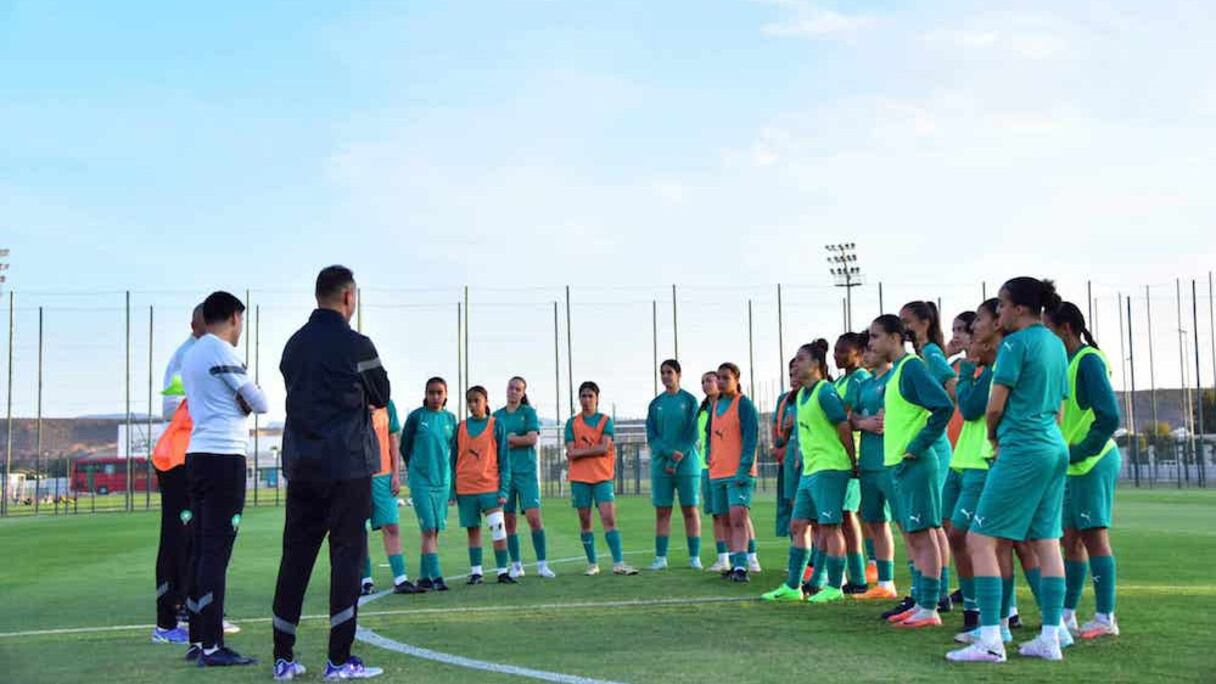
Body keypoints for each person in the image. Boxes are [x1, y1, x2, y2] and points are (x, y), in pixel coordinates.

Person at [271, 266, 388, 680]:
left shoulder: (293, 345)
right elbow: (382, 394)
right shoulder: (357, 344)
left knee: (296, 559)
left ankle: (282, 658)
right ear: (348, 297)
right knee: (347, 561)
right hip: (347, 467)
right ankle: (338, 660)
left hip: (302, 465)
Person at [947, 277, 1071, 663]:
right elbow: (1060, 406)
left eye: (1001, 305)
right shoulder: (1053, 342)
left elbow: (995, 405)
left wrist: (995, 437)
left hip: (1022, 448)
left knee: (980, 541)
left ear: (1019, 308)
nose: (997, 312)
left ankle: (990, 639)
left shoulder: (1016, 344)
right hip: (1053, 446)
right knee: (1045, 541)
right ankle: (1053, 635)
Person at [181, 291, 268, 667]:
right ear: (234, 316)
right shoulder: (221, 351)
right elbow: (260, 402)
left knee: (201, 550)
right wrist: (246, 399)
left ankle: (199, 639)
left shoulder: (193, 353)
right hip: (223, 458)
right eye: (241, 321)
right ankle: (213, 646)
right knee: (216, 553)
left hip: (198, 454)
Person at [867, 314, 953, 629]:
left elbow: (943, 406)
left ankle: (929, 607)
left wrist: (917, 446)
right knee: (914, 537)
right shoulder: (897, 374)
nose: (871, 343)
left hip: (916, 464)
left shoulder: (912, 366)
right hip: (900, 466)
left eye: (875, 336)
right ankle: (921, 602)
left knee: (924, 534)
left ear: (894, 337)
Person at [1045, 302, 1122, 640]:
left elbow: (1109, 417)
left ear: (1064, 328)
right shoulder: (1068, 362)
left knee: (1094, 537)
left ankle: (1106, 617)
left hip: (1092, 461)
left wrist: (1079, 451)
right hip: (1072, 463)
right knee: (1070, 539)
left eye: (1047, 328)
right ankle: (1067, 613)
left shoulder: (1088, 360)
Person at [764, 340, 856, 603]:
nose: (796, 364)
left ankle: (836, 586)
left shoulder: (825, 392)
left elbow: (843, 426)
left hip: (830, 468)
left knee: (829, 527)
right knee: (798, 525)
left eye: (801, 359)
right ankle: (793, 586)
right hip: (810, 470)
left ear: (816, 364)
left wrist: (852, 463)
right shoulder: (802, 396)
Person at [150, 304, 204, 645]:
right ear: (196, 325)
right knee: (176, 538)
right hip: (178, 459)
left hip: (195, 456)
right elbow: (170, 407)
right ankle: (172, 615)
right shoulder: (186, 356)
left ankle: (188, 604)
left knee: (193, 535)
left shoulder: (205, 353)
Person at [901, 300, 958, 613]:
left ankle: (936, 593)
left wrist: (926, 414)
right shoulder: (924, 353)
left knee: (931, 524)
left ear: (924, 321)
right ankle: (935, 592)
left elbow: (951, 388)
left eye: (906, 321)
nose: (903, 327)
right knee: (930, 524)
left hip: (931, 444)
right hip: (929, 442)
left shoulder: (930, 353)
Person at [949, 302, 1001, 643]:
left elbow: (968, 408)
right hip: (960, 460)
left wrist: (965, 373)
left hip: (981, 462)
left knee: (969, 537)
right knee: (958, 536)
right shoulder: (972, 369)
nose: (959, 339)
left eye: (963, 331)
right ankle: (974, 612)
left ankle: (989, 616)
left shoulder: (988, 371)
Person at [566, 381, 638, 576]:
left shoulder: (606, 421)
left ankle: (618, 562)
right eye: (583, 396)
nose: (587, 399)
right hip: (580, 478)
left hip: (602, 477)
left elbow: (604, 447)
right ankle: (592, 564)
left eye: (590, 396)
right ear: (579, 399)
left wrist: (582, 451)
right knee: (585, 521)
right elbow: (570, 452)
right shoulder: (572, 423)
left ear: (597, 398)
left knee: (609, 518)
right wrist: (593, 450)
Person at [452, 386, 516, 585]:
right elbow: (452, 460)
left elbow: (504, 460)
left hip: (490, 487)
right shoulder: (460, 427)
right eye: (469, 401)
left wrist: (504, 489)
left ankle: (502, 571)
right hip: (466, 488)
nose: (472, 405)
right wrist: (452, 490)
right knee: (473, 530)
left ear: (486, 401)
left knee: (498, 528)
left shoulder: (497, 425)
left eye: (476, 400)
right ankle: (476, 572)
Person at [493, 377, 555, 579]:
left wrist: (509, 439)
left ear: (523, 392)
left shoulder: (528, 413)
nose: (513, 391)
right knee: (508, 522)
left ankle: (542, 564)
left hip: (526, 474)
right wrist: (512, 441)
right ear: (506, 389)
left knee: (534, 519)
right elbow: (493, 445)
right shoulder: (496, 416)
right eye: (511, 387)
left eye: (518, 389)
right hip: (504, 475)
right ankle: (517, 565)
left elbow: (531, 439)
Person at [852, 344, 899, 601]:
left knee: (904, 525)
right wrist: (863, 422)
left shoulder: (896, 377)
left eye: (870, 348)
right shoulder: (865, 384)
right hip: (868, 463)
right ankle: (885, 582)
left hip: (891, 461)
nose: (866, 354)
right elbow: (853, 418)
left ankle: (924, 591)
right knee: (874, 522)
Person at [401, 377, 458, 591]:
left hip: (442, 481)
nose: (435, 396)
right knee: (429, 528)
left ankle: (424, 577)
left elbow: (453, 452)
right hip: (421, 481)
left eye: (439, 392)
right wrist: (415, 468)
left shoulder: (450, 419)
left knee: (435, 531)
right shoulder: (416, 417)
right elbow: (405, 446)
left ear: (445, 395)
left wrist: (451, 482)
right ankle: (437, 577)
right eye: (431, 392)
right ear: (425, 394)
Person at [646, 359, 703, 570]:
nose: (665, 376)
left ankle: (694, 557)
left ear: (678, 374)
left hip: (687, 465)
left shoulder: (690, 401)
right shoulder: (655, 404)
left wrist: (678, 455)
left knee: (690, 509)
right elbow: (652, 436)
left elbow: (693, 432)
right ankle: (660, 558)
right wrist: (669, 455)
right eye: (662, 373)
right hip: (661, 466)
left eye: (669, 372)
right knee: (662, 511)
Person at [706, 363, 760, 583]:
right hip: (717, 472)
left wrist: (744, 467)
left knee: (739, 519)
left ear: (737, 379)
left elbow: (751, 438)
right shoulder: (716, 404)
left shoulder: (744, 405)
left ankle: (741, 566)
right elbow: (708, 431)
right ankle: (732, 562)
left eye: (725, 377)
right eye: (718, 377)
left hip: (739, 473)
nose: (720, 381)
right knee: (725, 520)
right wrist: (710, 454)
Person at [363, 398, 419, 595]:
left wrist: (395, 474)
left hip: (384, 475)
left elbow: (392, 440)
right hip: (357, 475)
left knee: (391, 525)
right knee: (359, 529)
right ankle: (365, 580)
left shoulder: (388, 404)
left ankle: (400, 578)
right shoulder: (350, 399)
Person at [833, 332, 873, 592]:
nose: (837, 356)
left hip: (853, 455)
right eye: (835, 351)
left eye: (843, 351)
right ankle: (851, 575)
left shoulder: (860, 378)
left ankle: (859, 577)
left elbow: (847, 415)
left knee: (849, 516)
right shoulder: (840, 380)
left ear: (858, 353)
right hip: (836, 455)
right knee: (843, 518)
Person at [698, 372, 731, 573]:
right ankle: (723, 558)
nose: (706, 384)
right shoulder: (702, 410)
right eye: (703, 382)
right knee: (717, 514)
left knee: (738, 515)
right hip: (706, 467)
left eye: (710, 380)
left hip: (727, 467)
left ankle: (751, 558)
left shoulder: (727, 406)